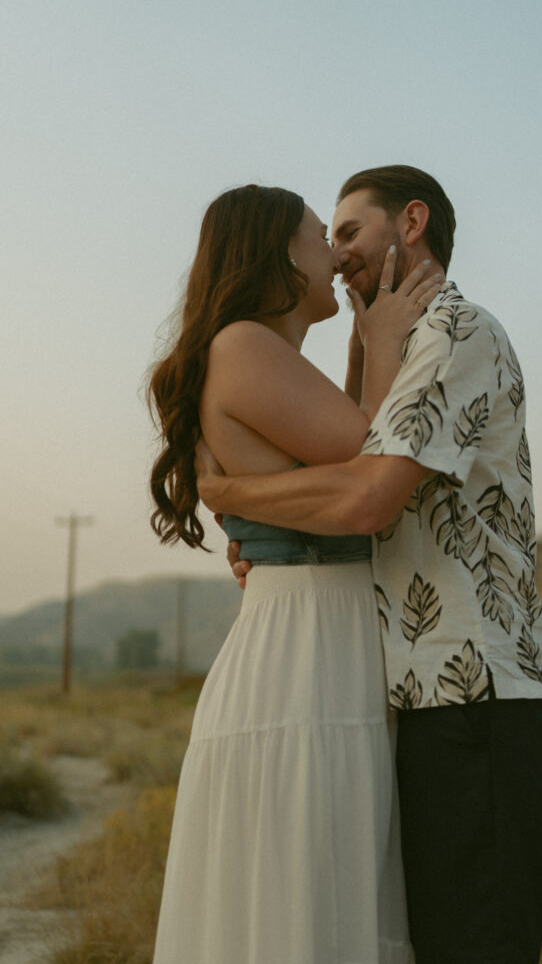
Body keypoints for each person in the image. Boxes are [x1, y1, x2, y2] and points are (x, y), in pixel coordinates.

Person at [196, 165, 542, 964]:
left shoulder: (452, 334)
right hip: (421, 693)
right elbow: (349, 475)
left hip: (479, 696)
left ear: (411, 223)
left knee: (475, 943)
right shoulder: (397, 354)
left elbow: (367, 496)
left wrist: (235, 493)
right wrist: (267, 540)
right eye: (324, 239)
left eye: (348, 234)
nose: (337, 258)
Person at [147, 183, 443, 964]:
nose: (336, 252)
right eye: (321, 235)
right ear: (278, 252)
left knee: (326, 898)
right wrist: (379, 343)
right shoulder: (243, 343)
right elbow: (373, 463)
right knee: (310, 907)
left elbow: (342, 458)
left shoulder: (263, 353)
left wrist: (356, 352)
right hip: (306, 651)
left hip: (324, 637)